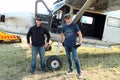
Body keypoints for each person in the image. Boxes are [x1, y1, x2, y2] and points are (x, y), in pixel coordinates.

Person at [61, 13, 82, 79]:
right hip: (66, 44)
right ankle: (71, 70)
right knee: (68, 58)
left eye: (69, 18)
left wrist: (80, 42)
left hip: (73, 45)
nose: (67, 19)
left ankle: (79, 73)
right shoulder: (64, 26)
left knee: (75, 58)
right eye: (66, 18)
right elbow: (62, 34)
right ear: (65, 19)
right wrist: (62, 41)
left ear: (71, 18)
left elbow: (80, 34)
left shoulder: (75, 26)